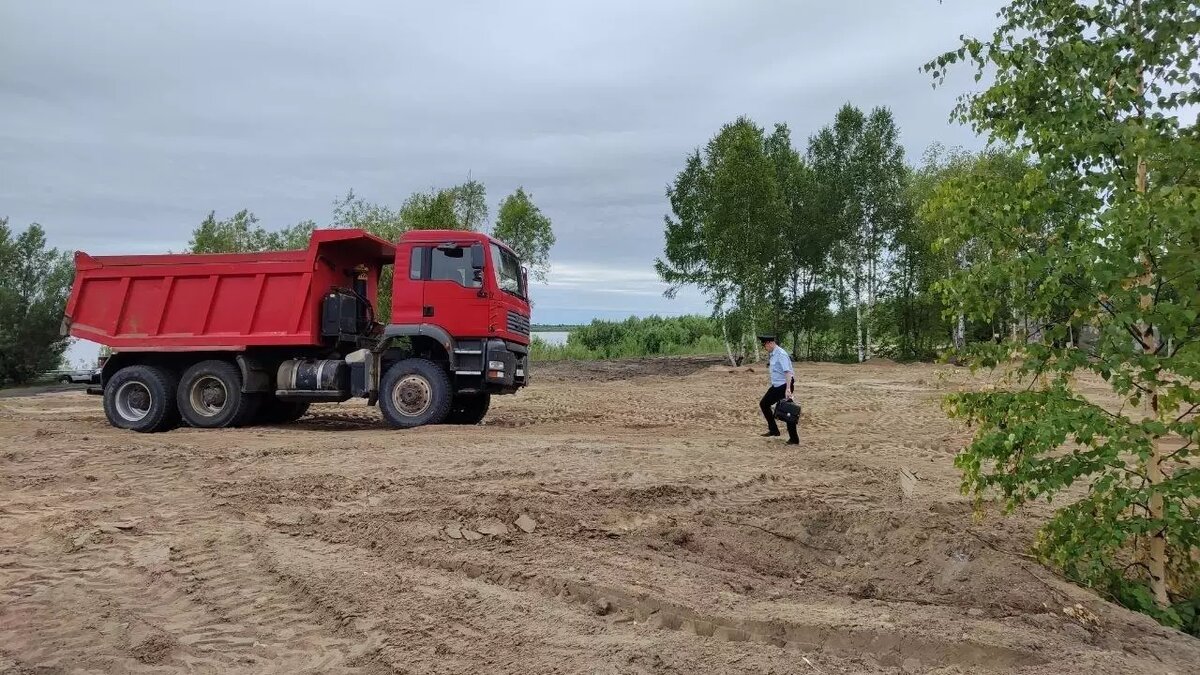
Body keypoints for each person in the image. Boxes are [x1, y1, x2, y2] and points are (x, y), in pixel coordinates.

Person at [757, 335, 799, 445]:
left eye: (765, 345)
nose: (765, 348)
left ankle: (794, 439)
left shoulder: (781, 354)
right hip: (776, 386)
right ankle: (774, 430)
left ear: (770, 343)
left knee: (789, 411)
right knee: (764, 404)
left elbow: (788, 372)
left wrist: (788, 389)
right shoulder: (773, 354)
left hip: (784, 386)